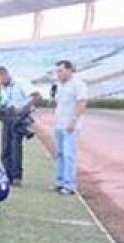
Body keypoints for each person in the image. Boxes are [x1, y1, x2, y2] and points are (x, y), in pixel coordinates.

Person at [0, 66, 39, 186]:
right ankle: (7, 175)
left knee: (15, 148)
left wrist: (23, 110)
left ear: (5, 74)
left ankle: (16, 177)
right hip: (7, 118)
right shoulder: (1, 87)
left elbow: (36, 96)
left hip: (19, 119)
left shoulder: (21, 82)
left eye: (0, 79)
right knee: (5, 149)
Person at [53, 60, 87, 196]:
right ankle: (60, 181)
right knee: (60, 154)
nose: (58, 74)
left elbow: (82, 103)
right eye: (57, 71)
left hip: (70, 126)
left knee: (69, 155)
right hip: (59, 124)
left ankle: (69, 185)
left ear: (69, 70)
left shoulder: (78, 85)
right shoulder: (59, 85)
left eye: (60, 71)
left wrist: (73, 121)